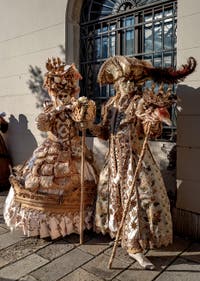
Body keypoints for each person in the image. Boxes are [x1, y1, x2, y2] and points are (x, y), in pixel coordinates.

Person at [89, 55, 196, 269]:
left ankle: (135, 245)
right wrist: (88, 124)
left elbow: (155, 129)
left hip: (136, 161)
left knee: (140, 201)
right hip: (115, 163)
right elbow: (103, 133)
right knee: (116, 200)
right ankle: (122, 235)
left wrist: (152, 122)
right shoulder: (110, 105)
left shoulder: (140, 102)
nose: (127, 85)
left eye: (131, 81)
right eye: (122, 81)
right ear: (116, 83)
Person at [4, 57, 97, 239]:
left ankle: (74, 222)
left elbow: (83, 125)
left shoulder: (75, 108)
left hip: (73, 150)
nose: (62, 94)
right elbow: (43, 126)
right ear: (53, 90)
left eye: (66, 89)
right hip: (52, 149)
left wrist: (84, 117)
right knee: (40, 178)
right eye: (58, 90)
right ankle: (45, 224)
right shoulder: (49, 109)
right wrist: (53, 112)